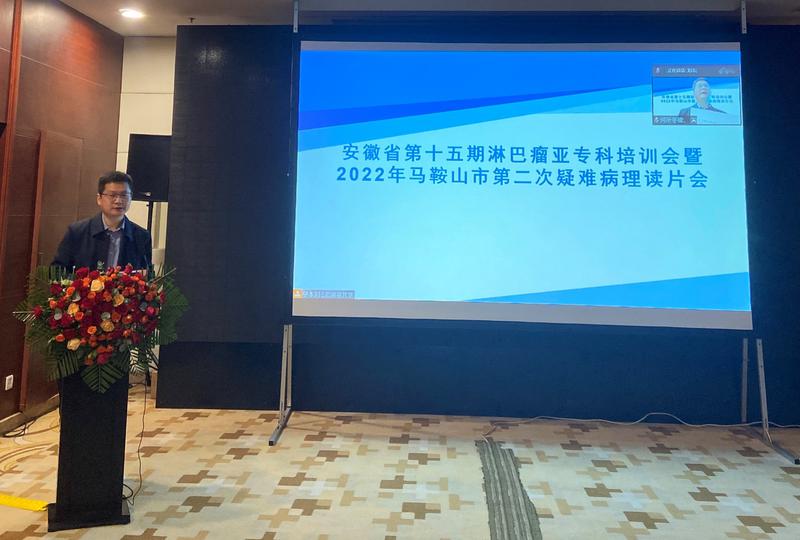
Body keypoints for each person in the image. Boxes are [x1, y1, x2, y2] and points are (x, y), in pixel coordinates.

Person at [52, 171, 152, 271]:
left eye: (124, 195)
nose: (118, 201)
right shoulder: (77, 232)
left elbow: (146, 273)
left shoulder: (141, 236)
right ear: (99, 199)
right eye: (112, 195)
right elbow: (57, 271)